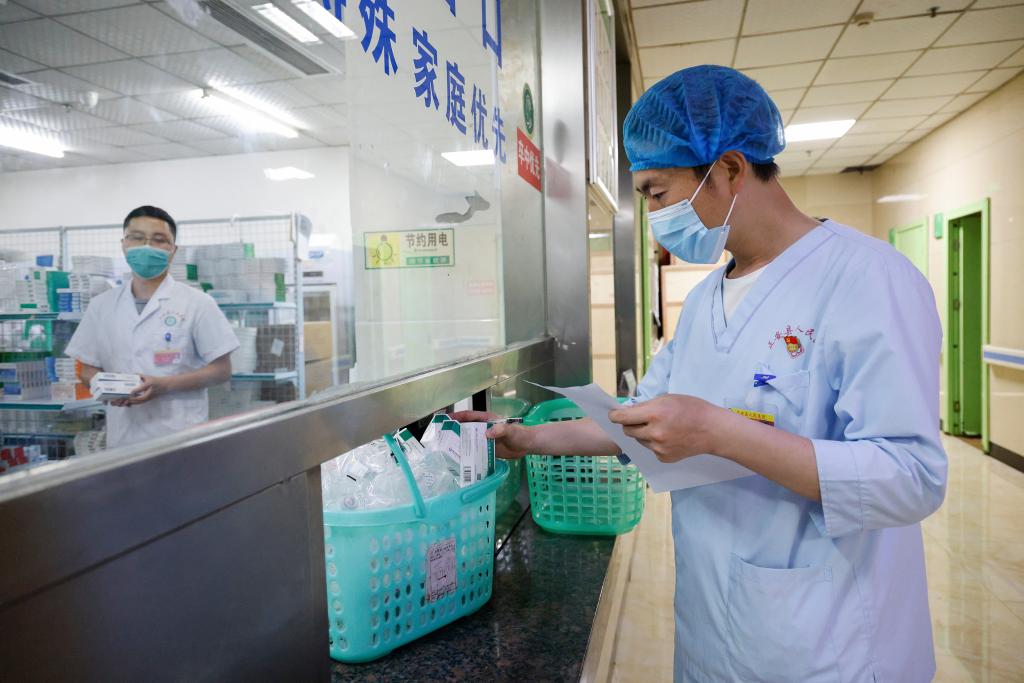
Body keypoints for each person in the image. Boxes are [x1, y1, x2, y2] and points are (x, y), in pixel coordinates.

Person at [456, 66, 946, 682]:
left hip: (828, 638)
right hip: (713, 622)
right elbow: (639, 420)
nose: (654, 215)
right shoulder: (707, 300)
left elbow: (911, 477)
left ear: (730, 169)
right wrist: (526, 437)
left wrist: (720, 432)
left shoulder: (868, 280)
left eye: (658, 193)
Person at [65, 206, 240, 449]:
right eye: (137, 237)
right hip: (123, 439)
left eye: (159, 240)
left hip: (180, 437)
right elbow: (86, 369)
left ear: (173, 250)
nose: (147, 247)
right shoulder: (101, 306)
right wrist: (107, 388)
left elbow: (222, 370)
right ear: (124, 244)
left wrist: (164, 385)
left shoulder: (197, 303)